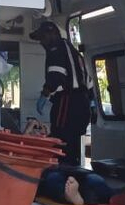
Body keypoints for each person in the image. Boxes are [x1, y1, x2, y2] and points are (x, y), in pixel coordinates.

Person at [29, 21, 92, 165]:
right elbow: (89, 82)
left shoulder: (56, 50)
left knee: (61, 138)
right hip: (83, 102)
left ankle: (63, 173)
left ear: (51, 35)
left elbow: (55, 76)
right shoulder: (75, 53)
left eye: (42, 39)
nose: (41, 43)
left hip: (68, 103)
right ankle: (73, 171)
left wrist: (44, 95)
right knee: (74, 142)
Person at [38, 166, 125, 205]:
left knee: (93, 179)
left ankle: (116, 196)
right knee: (53, 180)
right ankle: (72, 197)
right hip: (44, 172)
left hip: (71, 168)